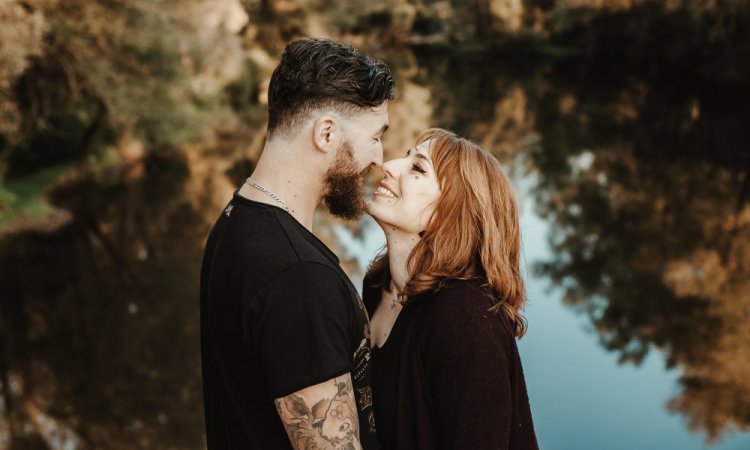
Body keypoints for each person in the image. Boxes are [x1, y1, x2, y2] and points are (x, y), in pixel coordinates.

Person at [200, 37, 393, 449]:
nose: (379, 158)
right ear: (326, 133)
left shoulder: (234, 223)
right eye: (376, 136)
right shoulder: (299, 279)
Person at [363, 128, 539, 450]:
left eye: (417, 168)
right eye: (405, 157)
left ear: (451, 212)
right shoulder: (377, 287)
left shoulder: (467, 322)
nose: (388, 165)